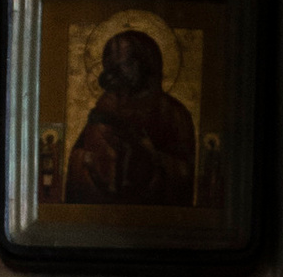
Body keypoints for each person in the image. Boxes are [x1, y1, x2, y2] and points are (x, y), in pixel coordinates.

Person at [62, 28, 197, 209]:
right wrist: (87, 159)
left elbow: (185, 172)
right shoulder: (107, 106)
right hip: (103, 211)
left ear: (144, 63)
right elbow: (80, 158)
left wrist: (150, 155)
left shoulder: (172, 112)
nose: (117, 74)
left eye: (125, 64)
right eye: (112, 67)